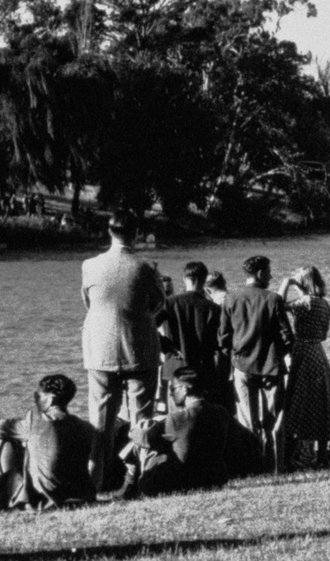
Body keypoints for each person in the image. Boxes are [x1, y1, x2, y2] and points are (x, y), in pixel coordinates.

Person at [79, 207, 166, 493]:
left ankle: (94, 483)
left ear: (109, 232)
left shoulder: (89, 266)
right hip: (139, 349)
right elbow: (159, 303)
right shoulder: (145, 268)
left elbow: (88, 303)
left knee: (100, 425)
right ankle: (140, 481)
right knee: (142, 421)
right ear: (136, 232)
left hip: (99, 351)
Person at [222, 254, 294, 467]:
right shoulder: (273, 299)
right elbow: (287, 336)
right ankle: (274, 465)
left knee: (248, 421)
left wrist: (235, 355)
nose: (271, 276)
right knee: (273, 423)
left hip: (242, 365)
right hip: (270, 366)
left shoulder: (231, 299)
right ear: (260, 273)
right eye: (269, 272)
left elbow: (223, 336)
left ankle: (252, 464)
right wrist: (283, 353)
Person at [121, 364, 233, 497]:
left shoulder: (177, 419)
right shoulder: (221, 412)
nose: (170, 393)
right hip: (215, 480)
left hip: (182, 483)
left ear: (185, 389)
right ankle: (127, 488)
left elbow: (144, 439)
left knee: (144, 435)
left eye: (173, 388)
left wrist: (135, 429)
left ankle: (129, 486)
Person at [278, 265, 330, 471]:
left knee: (299, 401)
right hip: (319, 353)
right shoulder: (324, 304)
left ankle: (292, 453)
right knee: (321, 401)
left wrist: (287, 284)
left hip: (302, 352)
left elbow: (276, 305)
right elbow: (325, 334)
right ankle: (321, 455)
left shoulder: (305, 302)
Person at [20, 373, 99, 508]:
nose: (36, 399)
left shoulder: (34, 421)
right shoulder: (87, 428)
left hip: (47, 500)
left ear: (51, 399)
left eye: (38, 395)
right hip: (81, 496)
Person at [158, 261, 232, 405]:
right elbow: (221, 342)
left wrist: (166, 346)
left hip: (175, 366)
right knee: (201, 415)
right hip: (203, 368)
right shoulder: (213, 309)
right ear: (204, 280)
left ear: (185, 279)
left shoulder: (169, 303)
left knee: (176, 417)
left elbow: (149, 329)